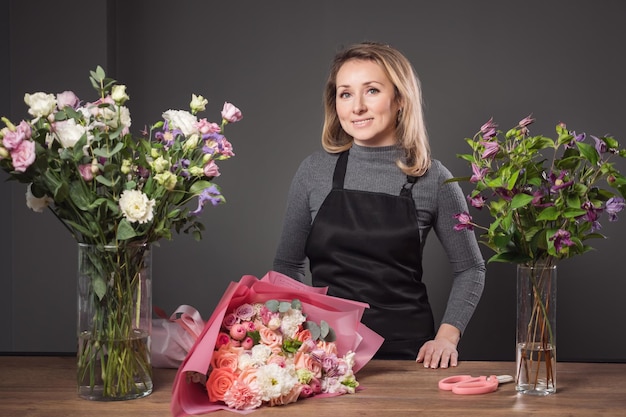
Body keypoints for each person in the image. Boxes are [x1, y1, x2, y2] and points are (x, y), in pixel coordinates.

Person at [273, 41, 485, 368]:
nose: (357, 106)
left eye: (371, 90)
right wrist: (305, 331)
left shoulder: (433, 178)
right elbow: (287, 264)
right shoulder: (314, 171)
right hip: (327, 354)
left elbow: (471, 268)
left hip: (408, 355)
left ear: (399, 99)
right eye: (346, 94)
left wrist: (446, 337)